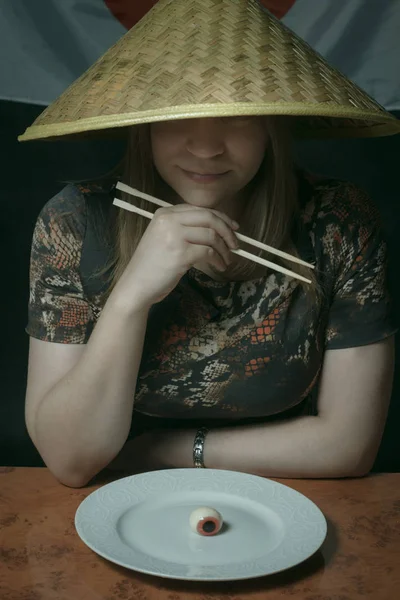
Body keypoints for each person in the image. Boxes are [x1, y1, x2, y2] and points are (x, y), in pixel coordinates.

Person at [20, 0, 398, 488]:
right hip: (114, 505)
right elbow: (70, 460)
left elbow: (350, 444)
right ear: (145, 123)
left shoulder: (339, 221)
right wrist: (132, 295)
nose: (206, 147)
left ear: (271, 123)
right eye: (179, 116)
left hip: (285, 499)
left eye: (236, 117)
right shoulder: (74, 222)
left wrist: (168, 451)